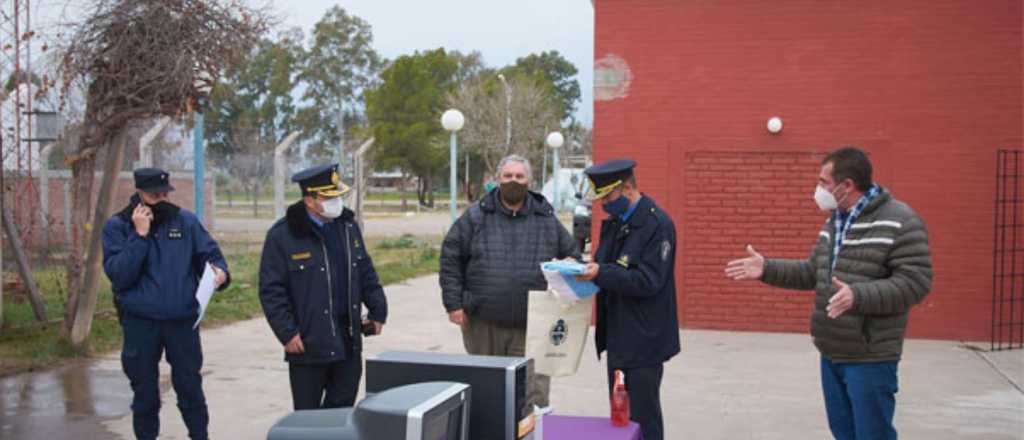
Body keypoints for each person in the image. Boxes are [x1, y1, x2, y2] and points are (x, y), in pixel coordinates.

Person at [725, 146, 933, 440]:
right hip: (832, 350)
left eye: (823, 182)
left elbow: (916, 282)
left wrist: (858, 295)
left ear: (846, 185)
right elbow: (813, 273)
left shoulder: (900, 221)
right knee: (844, 433)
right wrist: (767, 269)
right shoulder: (835, 221)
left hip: (870, 355)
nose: (818, 188)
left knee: (872, 434)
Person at [440, 154, 578, 413]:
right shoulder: (476, 216)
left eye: (519, 176)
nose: (513, 181)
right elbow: (450, 258)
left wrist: (570, 264)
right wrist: (453, 303)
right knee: (486, 392)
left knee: (531, 396)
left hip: (532, 325)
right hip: (483, 322)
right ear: (497, 180)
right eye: (508, 176)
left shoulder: (545, 218)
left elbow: (572, 256)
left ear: (530, 181)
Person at [102, 167, 230, 440]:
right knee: (145, 394)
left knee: (190, 388)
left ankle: (200, 435)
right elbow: (120, 275)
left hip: (181, 322)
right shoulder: (118, 226)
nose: (161, 199)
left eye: (164, 193)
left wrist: (220, 272)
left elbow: (210, 255)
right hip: (141, 323)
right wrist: (140, 236)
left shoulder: (185, 222)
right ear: (138, 193)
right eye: (153, 195)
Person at [258, 163, 388, 410]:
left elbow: (364, 270)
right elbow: (271, 290)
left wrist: (378, 310)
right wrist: (286, 332)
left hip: (348, 341)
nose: (336, 201)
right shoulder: (283, 236)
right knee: (307, 419)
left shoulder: (347, 227)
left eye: (337, 195)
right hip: (308, 343)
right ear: (309, 200)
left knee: (341, 414)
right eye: (328, 197)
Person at [575, 159, 680, 440]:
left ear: (628, 188)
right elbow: (603, 265)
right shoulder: (614, 224)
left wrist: (601, 272)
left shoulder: (658, 225)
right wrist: (577, 268)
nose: (603, 204)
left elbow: (648, 281)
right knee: (620, 415)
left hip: (645, 340)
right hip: (618, 338)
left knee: (643, 418)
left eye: (607, 197)